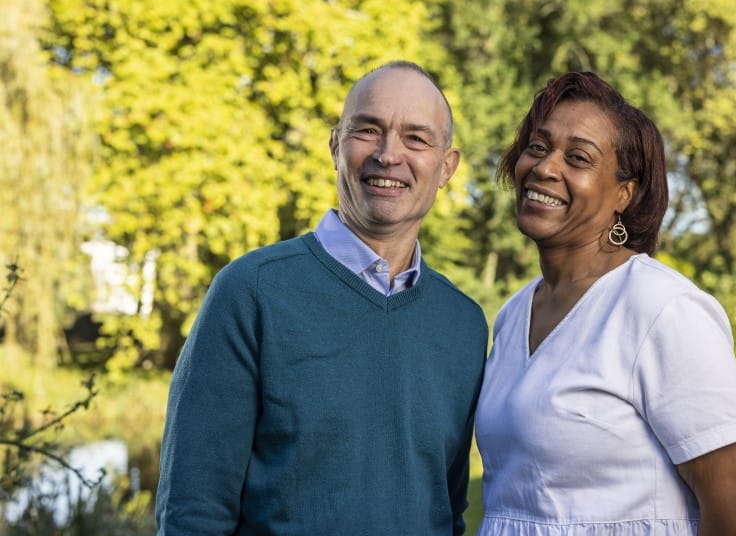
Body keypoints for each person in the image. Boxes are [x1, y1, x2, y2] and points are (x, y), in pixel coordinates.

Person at [155, 61, 488, 535]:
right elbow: (194, 510)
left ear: (447, 167)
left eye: (416, 138)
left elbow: (446, 509)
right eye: (368, 130)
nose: (389, 155)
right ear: (336, 145)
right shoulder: (252, 292)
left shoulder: (463, 325)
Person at [474, 71, 736, 535]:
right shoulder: (513, 314)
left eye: (578, 157)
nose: (546, 167)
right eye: (538, 146)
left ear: (623, 194)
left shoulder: (658, 307)